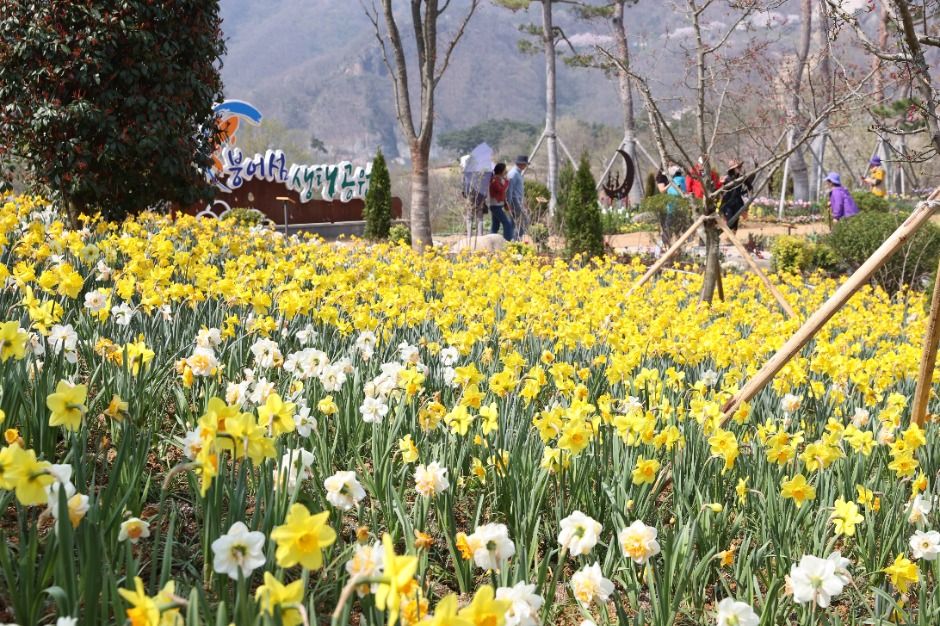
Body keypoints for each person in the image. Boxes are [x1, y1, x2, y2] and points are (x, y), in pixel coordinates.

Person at [719, 159, 752, 232]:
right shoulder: (726, 179)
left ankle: (731, 238)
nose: (740, 168)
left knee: (735, 223)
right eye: (738, 167)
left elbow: (750, 187)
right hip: (727, 204)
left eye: (740, 167)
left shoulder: (742, 177)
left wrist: (750, 199)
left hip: (738, 203)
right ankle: (727, 235)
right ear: (733, 169)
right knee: (730, 222)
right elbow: (720, 190)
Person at [488, 163, 513, 240]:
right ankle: (507, 242)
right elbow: (500, 190)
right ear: (501, 171)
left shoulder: (500, 179)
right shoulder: (494, 180)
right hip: (495, 206)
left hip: (498, 205)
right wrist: (507, 182)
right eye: (505, 169)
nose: (506, 171)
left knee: (495, 225)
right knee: (507, 223)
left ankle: (491, 241)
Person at [506, 155, 529, 239]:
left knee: (513, 222)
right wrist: (509, 204)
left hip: (518, 201)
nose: (526, 166)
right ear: (521, 164)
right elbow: (509, 190)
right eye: (525, 164)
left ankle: (512, 239)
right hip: (515, 202)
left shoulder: (518, 173)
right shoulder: (513, 174)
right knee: (524, 220)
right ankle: (515, 239)